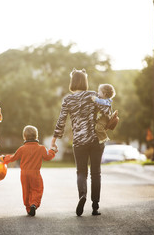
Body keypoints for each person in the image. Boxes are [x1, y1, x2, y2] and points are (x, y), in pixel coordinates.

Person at [51, 68, 111, 216]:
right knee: (96, 173)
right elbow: (106, 110)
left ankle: (82, 195)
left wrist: (53, 140)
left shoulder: (67, 100)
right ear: (85, 81)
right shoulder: (92, 95)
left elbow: (61, 121)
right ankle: (95, 206)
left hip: (79, 142)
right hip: (96, 140)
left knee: (81, 172)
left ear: (72, 82)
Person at [1, 125, 56, 216]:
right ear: (36, 136)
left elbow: (13, 157)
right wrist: (52, 151)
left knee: (26, 190)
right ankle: (34, 204)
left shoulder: (22, 149)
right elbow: (48, 157)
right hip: (35, 173)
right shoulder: (41, 148)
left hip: (24, 174)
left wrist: (4, 158)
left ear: (24, 137)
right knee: (37, 189)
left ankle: (28, 207)